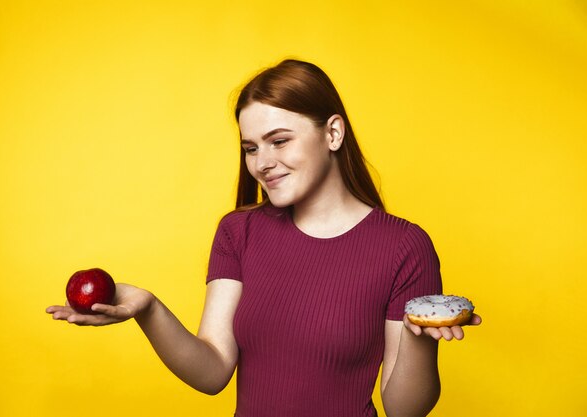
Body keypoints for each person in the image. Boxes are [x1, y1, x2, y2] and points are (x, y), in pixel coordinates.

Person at [47, 59, 481, 417]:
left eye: (279, 141)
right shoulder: (239, 232)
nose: (262, 163)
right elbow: (213, 371)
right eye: (251, 148)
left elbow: (404, 410)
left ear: (333, 133)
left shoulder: (404, 247)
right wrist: (149, 310)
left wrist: (419, 337)